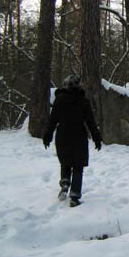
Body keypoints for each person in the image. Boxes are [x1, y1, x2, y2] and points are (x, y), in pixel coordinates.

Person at [43, 74, 102, 207]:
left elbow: (53, 120)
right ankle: (74, 196)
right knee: (77, 166)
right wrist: (97, 138)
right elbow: (90, 122)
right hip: (78, 136)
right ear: (78, 85)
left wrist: (48, 135)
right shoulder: (83, 101)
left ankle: (65, 184)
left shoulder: (59, 100)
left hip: (63, 135)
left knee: (65, 162)